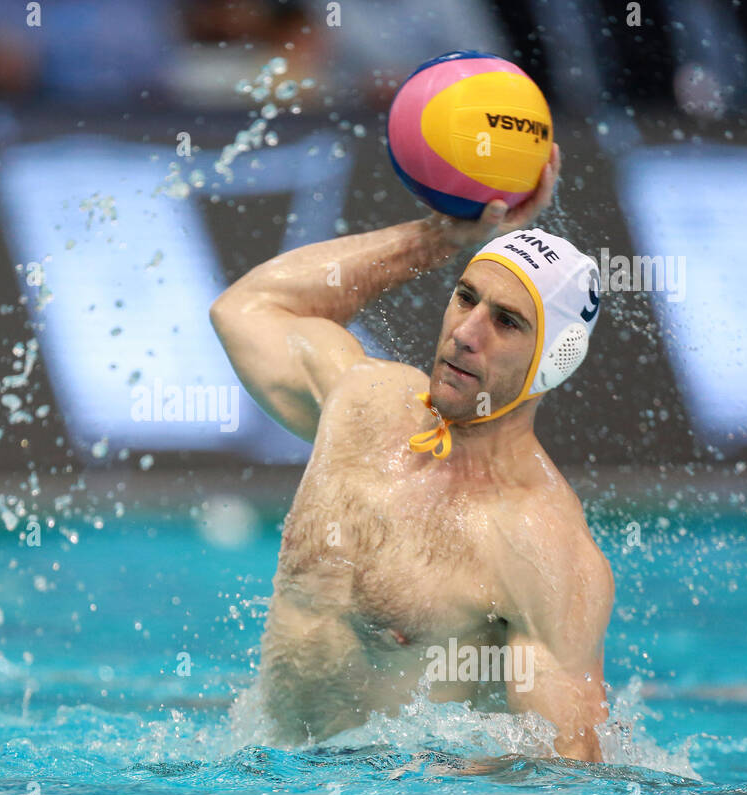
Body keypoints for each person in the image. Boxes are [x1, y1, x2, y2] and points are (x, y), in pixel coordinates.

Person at [209, 144, 614, 760]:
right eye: (465, 296)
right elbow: (246, 308)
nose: (465, 332)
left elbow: (570, 775)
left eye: (506, 322)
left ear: (553, 363)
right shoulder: (364, 403)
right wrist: (444, 234)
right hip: (263, 782)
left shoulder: (541, 545)